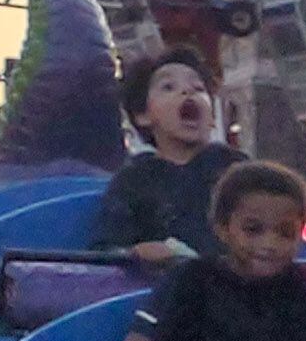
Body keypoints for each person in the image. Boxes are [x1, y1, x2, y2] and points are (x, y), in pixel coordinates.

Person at [118, 162, 306, 341]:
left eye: (285, 233)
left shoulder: (303, 282)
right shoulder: (190, 277)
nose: (269, 244)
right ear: (222, 229)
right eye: (253, 230)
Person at [95, 49, 239, 263]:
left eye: (198, 88)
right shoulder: (134, 179)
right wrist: (137, 253)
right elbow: (106, 250)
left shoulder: (237, 169)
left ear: (212, 116)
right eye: (168, 87)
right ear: (143, 115)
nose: (187, 92)